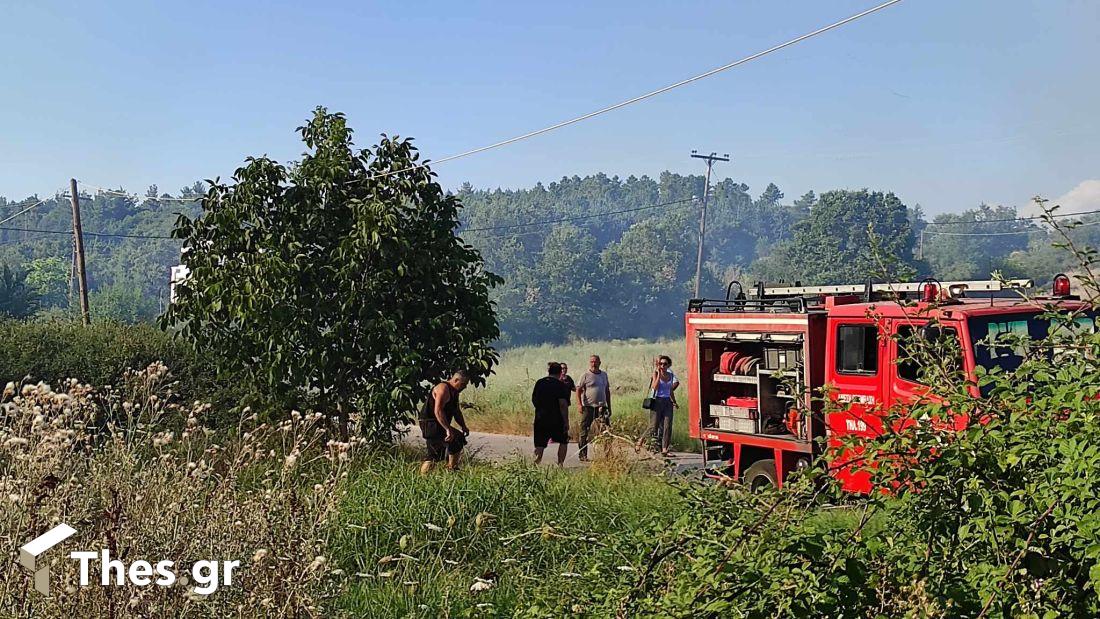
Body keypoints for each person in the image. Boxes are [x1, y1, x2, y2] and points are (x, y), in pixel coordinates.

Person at [418, 370, 471, 474]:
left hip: (439, 423)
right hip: (430, 423)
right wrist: (447, 429)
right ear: (456, 380)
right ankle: (422, 479)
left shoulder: (455, 392)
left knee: (458, 439)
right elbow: (438, 410)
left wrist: (463, 426)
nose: (464, 387)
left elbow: (456, 411)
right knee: (435, 453)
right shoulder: (443, 388)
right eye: (463, 384)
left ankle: (452, 468)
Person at [639, 355, 680, 456]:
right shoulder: (656, 373)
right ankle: (641, 440)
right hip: (657, 401)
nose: (663, 366)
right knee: (654, 426)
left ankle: (665, 448)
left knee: (667, 426)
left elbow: (670, 390)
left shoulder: (670, 375)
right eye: (660, 364)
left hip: (667, 402)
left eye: (665, 364)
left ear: (668, 365)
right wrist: (658, 375)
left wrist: (674, 402)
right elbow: (655, 387)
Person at [532, 362, 571, 465]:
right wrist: (566, 421)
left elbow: (534, 400)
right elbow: (563, 404)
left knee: (540, 444)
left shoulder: (540, 383)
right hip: (556, 419)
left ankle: (535, 464)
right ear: (559, 372)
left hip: (541, 418)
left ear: (549, 371)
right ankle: (560, 464)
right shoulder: (560, 385)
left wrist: (542, 409)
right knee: (563, 441)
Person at [575, 355, 611, 462]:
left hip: (602, 407)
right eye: (591, 362)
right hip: (588, 407)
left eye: (595, 362)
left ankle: (608, 454)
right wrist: (579, 404)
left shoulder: (604, 375)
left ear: (600, 362)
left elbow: (607, 391)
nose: (593, 364)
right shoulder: (585, 375)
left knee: (606, 431)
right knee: (584, 431)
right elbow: (578, 390)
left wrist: (609, 406)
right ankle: (583, 455)